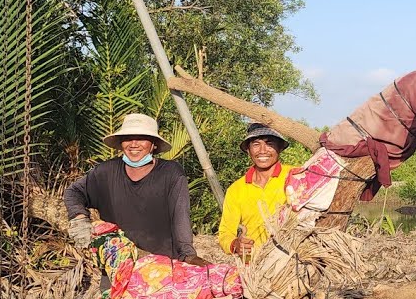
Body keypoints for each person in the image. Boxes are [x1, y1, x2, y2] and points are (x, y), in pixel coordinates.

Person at [64, 113, 202, 264]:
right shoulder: (106, 172)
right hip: (116, 265)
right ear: (121, 143)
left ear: (153, 144)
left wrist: (188, 255)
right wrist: (79, 217)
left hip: (160, 267)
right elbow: (73, 192)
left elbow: (180, 215)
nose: (134, 144)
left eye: (141, 138)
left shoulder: (170, 173)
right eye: (128, 138)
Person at [217, 122, 297, 258]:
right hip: (254, 267)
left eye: (269, 143)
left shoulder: (295, 176)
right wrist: (236, 244)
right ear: (248, 150)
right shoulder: (236, 189)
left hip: (292, 261)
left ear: (280, 148)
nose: (262, 150)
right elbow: (225, 232)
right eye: (256, 144)